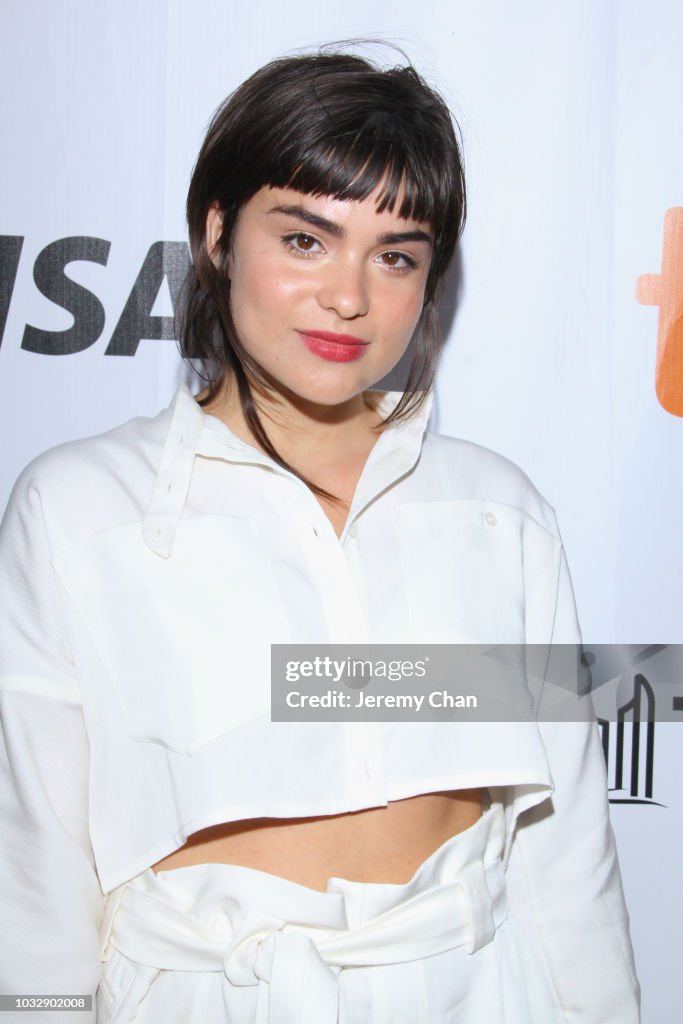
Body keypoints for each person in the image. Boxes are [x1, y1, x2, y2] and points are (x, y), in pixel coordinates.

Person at [0, 50, 640, 1023]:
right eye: (305, 240)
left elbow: (564, 855)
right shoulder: (80, 510)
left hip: (475, 989)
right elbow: (37, 874)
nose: (350, 296)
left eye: (395, 256)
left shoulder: (496, 512)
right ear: (216, 234)